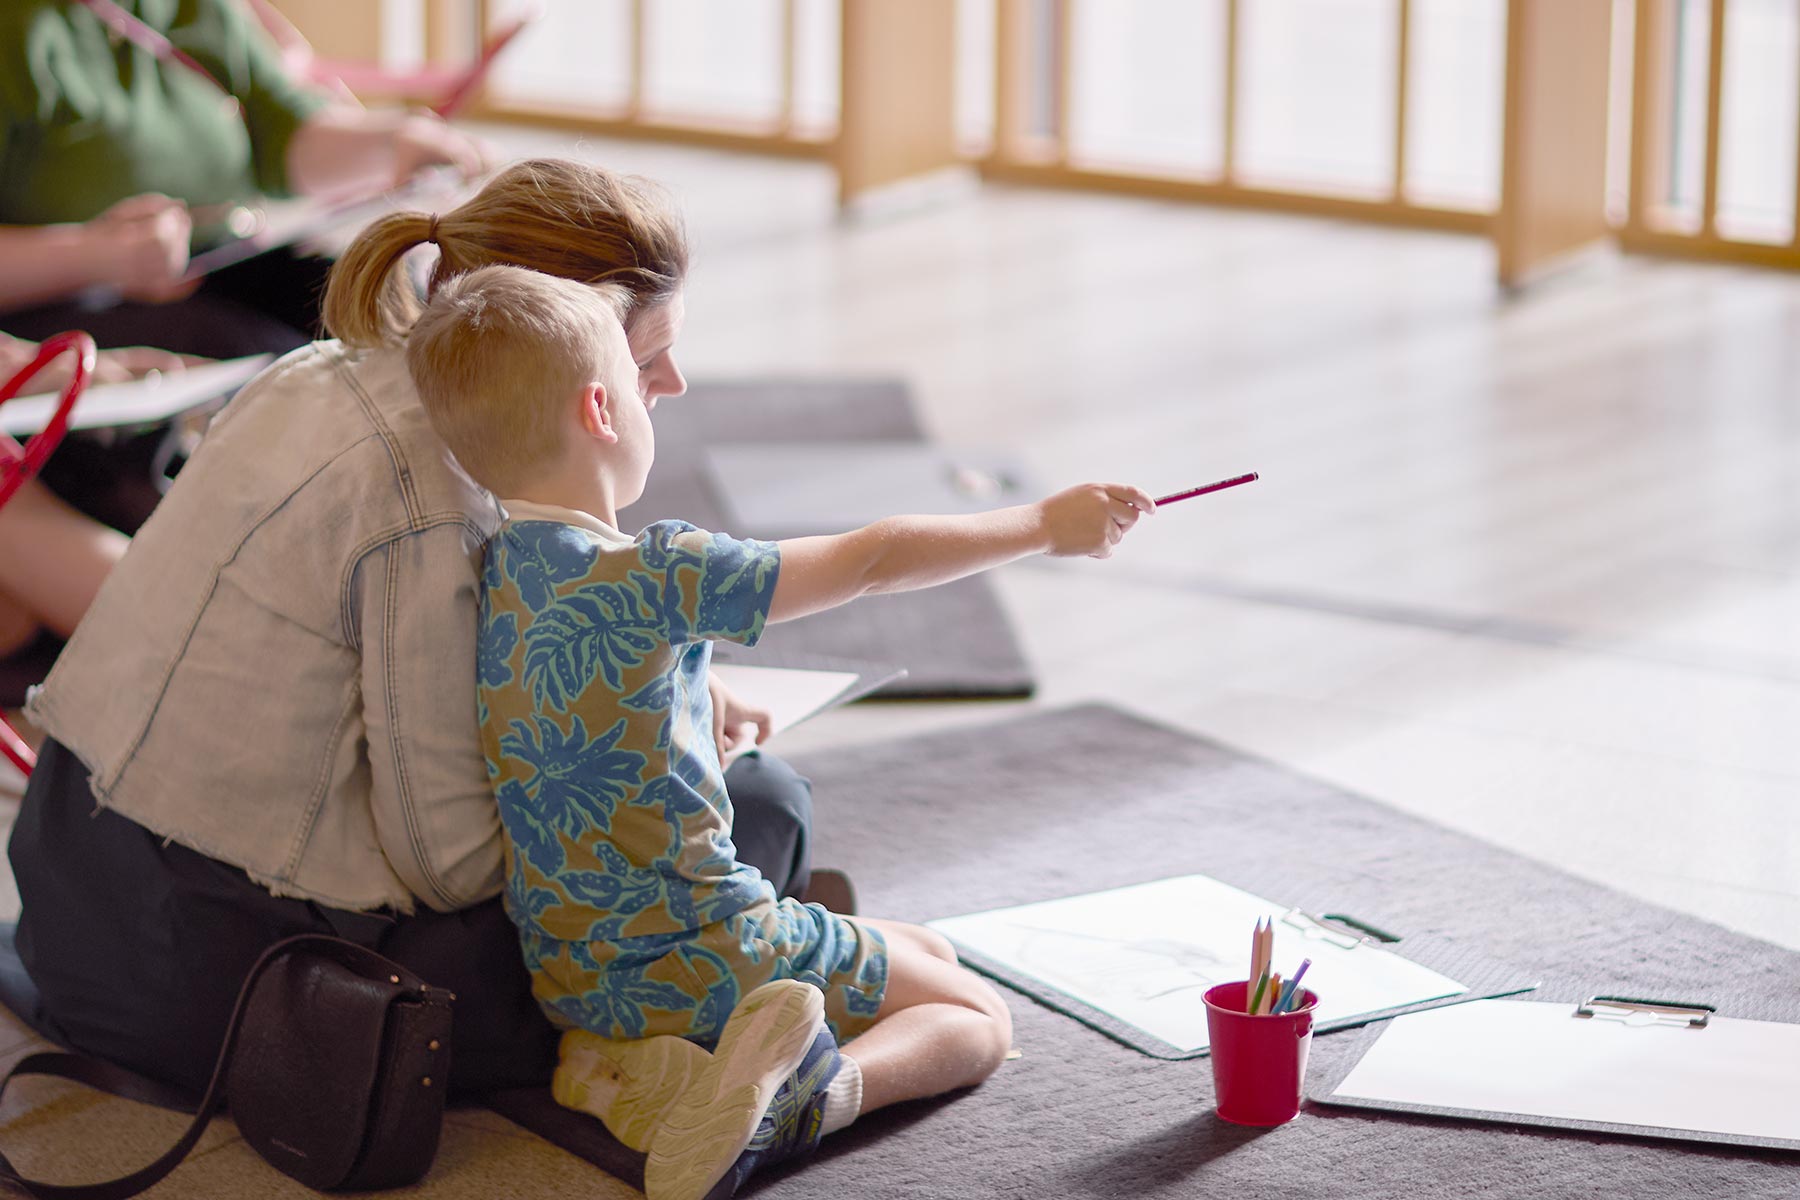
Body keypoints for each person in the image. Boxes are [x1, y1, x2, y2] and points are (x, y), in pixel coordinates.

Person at [4, 160, 835, 1106]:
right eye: (649, 360)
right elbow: (452, 866)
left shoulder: (322, 368)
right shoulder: (431, 492)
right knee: (761, 803)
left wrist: (640, 683)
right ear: (584, 359)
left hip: (71, 882)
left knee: (728, 813)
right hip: (215, 974)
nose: (673, 383)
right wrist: (648, 735)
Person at [404, 264, 1156, 1200]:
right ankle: (807, 1101)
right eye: (641, 382)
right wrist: (1042, 523)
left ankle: (625, 1079)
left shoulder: (501, 568)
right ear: (602, 409)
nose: (657, 396)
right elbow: (870, 559)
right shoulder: (657, 569)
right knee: (972, 1013)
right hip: (710, 946)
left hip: (576, 979)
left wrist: (696, 701)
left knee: (924, 945)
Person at [0, 0, 491, 694]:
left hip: (210, 272)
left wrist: (395, 144)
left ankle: (429, 596)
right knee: (288, 385)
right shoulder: (19, 31)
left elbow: (286, 124)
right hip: (73, 306)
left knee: (390, 329)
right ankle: (337, 645)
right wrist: (95, 255)